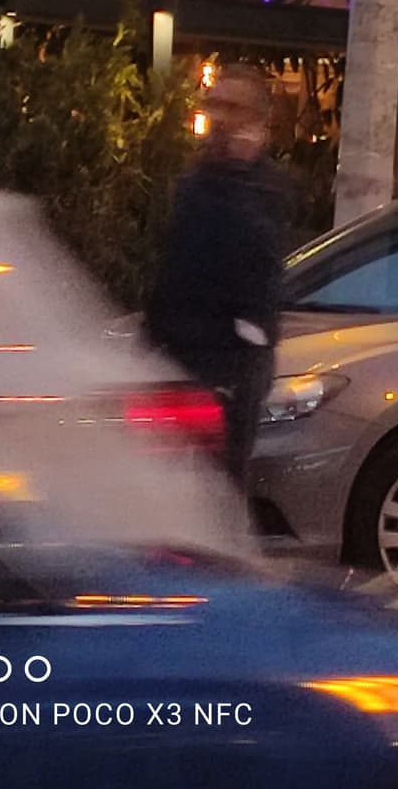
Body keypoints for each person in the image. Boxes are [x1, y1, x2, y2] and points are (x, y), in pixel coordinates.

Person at [146, 64, 293, 493]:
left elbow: (261, 255)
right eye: (215, 105)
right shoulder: (195, 180)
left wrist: (236, 171)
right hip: (180, 354)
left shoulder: (266, 187)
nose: (220, 117)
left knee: (217, 488)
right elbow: (177, 262)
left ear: (256, 119)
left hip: (231, 361)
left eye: (232, 107)